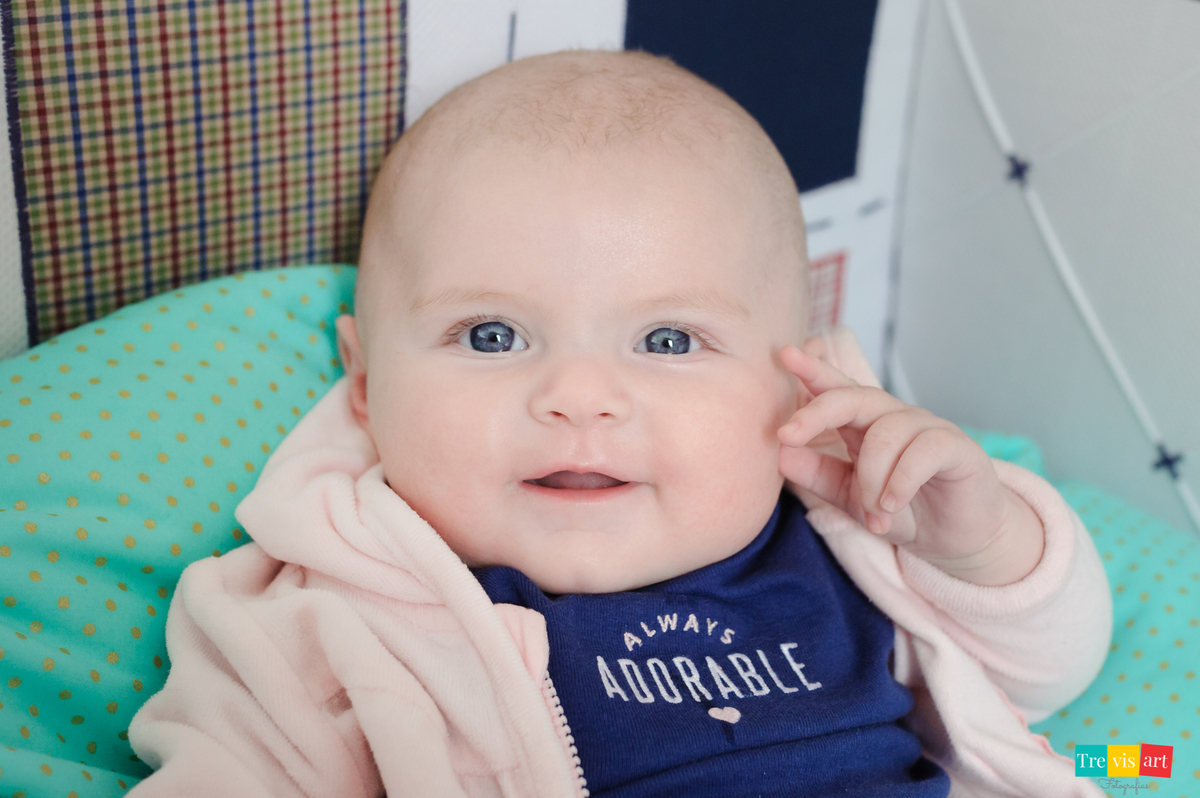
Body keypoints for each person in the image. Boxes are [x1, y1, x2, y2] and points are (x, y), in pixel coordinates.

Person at [127, 50, 1110, 797]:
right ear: (365, 383)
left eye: (671, 341)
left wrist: (977, 550)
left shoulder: (840, 538)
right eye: (493, 333)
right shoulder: (337, 616)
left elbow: (1042, 682)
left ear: (790, 378)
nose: (580, 398)